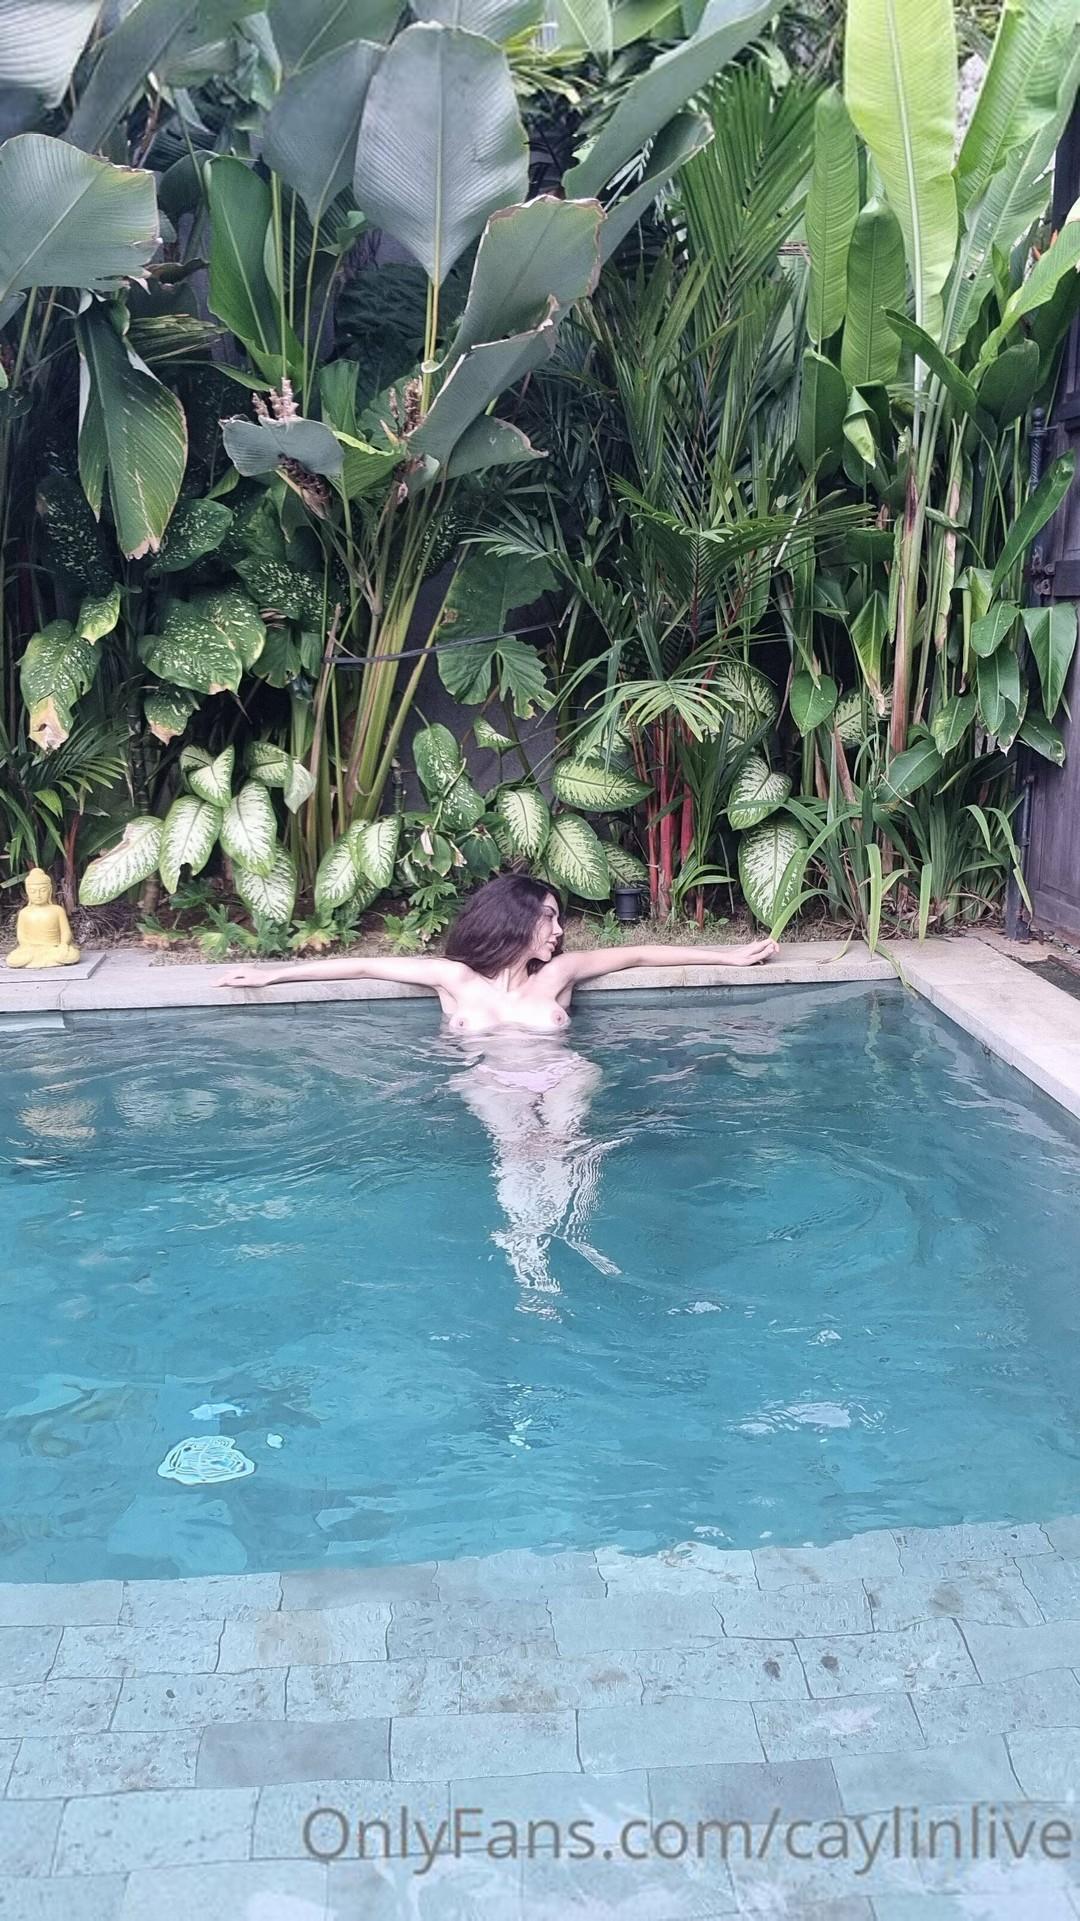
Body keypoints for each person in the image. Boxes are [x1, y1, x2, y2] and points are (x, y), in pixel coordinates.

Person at [217, 872, 779, 1033]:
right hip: (488, 1081)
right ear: (517, 919)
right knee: (514, 1143)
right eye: (550, 916)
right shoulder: (455, 978)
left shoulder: (557, 974)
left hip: (561, 1076)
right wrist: (270, 977)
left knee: (565, 1146)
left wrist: (728, 958)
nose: (559, 929)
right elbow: (363, 963)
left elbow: (637, 955)